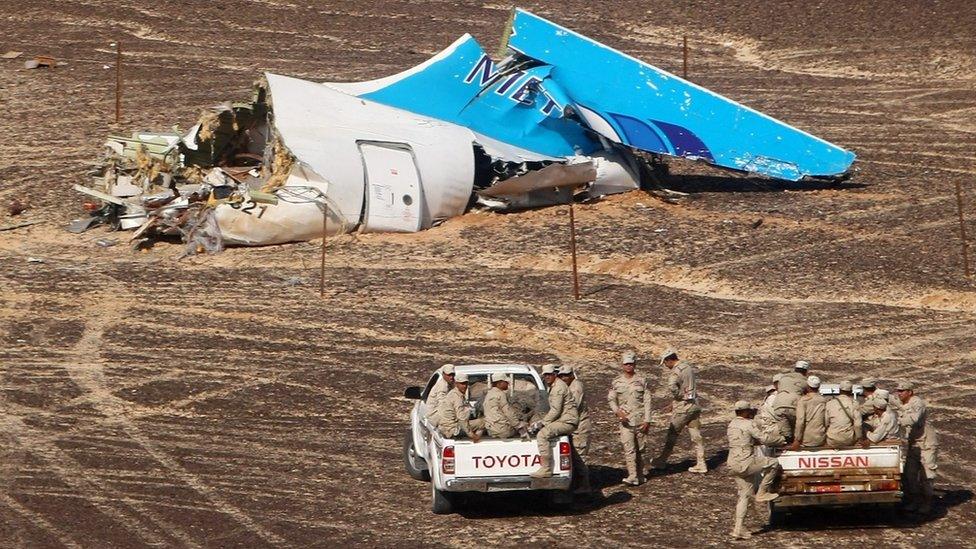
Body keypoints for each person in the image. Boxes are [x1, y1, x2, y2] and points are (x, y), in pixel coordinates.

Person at [727, 400, 781, 540]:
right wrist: (781, 440)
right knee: (773, 463)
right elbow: (764, 439)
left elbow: (744, 439)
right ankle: (762, 492)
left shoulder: (732, 424)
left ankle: (738, 529)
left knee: (744, 496)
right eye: (749, 411)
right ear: (745, 411)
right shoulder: (749, 424)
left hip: (733, 463)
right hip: (746, 462)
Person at [650, 348, 707, 474]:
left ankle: (662, 460)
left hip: (682, 408)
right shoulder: (687, 367)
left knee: (672, 434)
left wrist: (677, 398)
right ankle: (701, 463)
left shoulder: (675, 372)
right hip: (694, 405)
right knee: (696, 436)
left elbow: (672, 386)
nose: (665, 365)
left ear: (669, 360)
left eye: (665, 362)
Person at [608, 351, 652, 486]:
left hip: (639, 420)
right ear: (622, 365)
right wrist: (617, 412)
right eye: (626, 364)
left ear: (635, 365)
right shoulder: (616, 382)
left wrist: (648, 419)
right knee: (629, 449)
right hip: (625, 421)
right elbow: (611, 399)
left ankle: (640, 475)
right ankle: (632, 475)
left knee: (641, 449)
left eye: (631, 364)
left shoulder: (642, 381)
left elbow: (647, 401)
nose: (629, 367)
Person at [896, 381, 939, 514]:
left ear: (910, 392)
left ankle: (927, 502)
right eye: (898, 391)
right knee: (910, 474)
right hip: (913, 444)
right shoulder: (902, 403)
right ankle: (914, 501)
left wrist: (895, 421)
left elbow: (913, 419)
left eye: (902, 391)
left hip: (926, 443)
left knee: (927, 474)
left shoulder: (917, 403)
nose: (899, 393)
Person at [530, 365, 579, 478]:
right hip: (562, 419)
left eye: (549, 374)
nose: (547, 377)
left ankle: (546, 468)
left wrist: (542, 423)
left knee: (542, 434)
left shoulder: (558, 388)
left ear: (555, 374)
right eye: (545, 375)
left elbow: (556, 410)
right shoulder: (552, 386)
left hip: (567, 421)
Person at [559, 365, 591, 494]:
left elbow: (573, 407)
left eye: (566, 375)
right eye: (561, 376)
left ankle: (584, 485)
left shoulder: (576, 387)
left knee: (580, 457)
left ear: (572, 375)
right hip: (573, 425)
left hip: (580, 427)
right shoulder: (568, 387)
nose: (564, 378)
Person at [436, 372, 485, 441]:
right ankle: (476, 439)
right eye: (462, 384)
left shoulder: (456, 394)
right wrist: (471, 434)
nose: (464, 386)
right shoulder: (456, 397)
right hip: (453, 429)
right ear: (456, 384)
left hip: (449, 426)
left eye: (466, 383)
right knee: (484, 422)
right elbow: (461, 418)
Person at [790, 376, 827, 450]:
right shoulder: (824, 400)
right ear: (818, 387)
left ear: (807, 387)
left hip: (807, 439)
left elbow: (800, 421)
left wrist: (797, 439)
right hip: (821, 438)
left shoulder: (803, 401)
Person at [483, 373, 524, 438]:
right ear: (499, 383)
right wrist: (518, 426)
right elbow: (508, 413)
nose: (508, 384)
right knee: (524, 425)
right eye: (506, 382)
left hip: (491, 429)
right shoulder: (500, 394)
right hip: (503, 430)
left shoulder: (489, 394)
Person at [825, 380, 862, 447]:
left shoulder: (829, 403)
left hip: (832, 439)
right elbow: (858, 425)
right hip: (849, 439)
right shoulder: (854, 404)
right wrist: (860, 438)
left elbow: (826, 423)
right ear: (851, 391)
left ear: (839, 390)